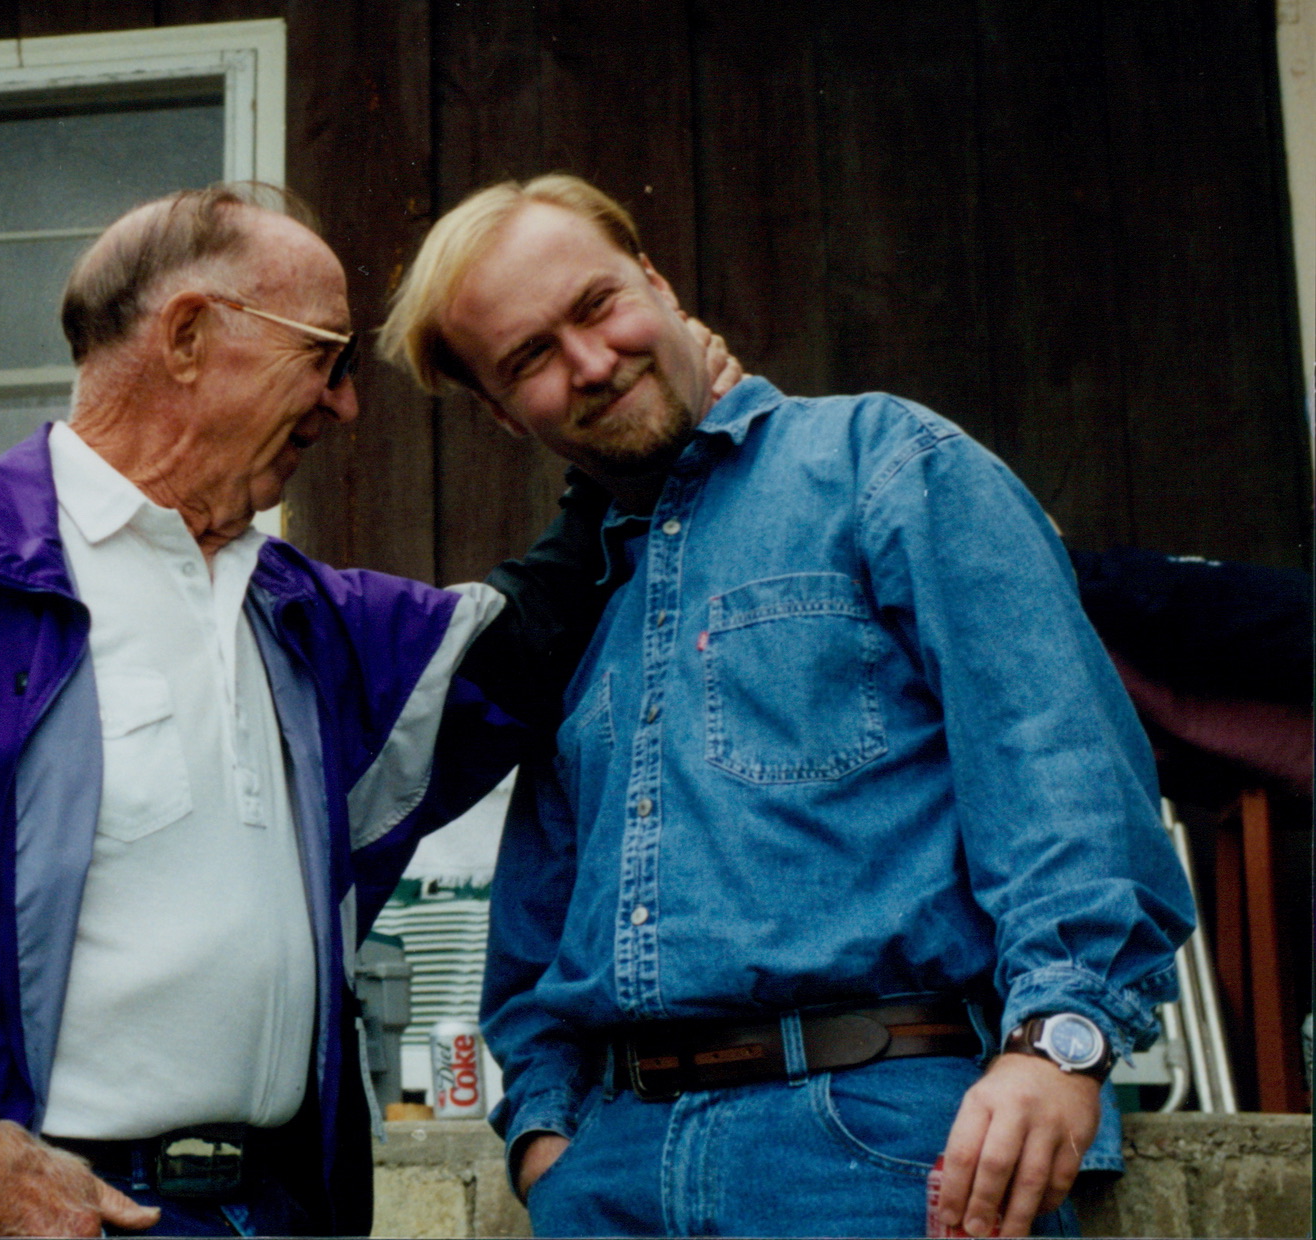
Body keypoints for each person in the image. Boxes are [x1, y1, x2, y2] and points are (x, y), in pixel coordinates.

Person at [0, 182, 703, 1237]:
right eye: (326, 357)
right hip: (29, 1215)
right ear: (191, 337)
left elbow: (523, 643)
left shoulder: (300, 618)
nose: (343, 403)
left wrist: (630, 399)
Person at [378, 174, 1195, 1240]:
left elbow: (1055, 759)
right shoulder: (581, 606)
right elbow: (538, 917)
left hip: (885, 1152)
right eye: (530, 357)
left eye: (595, 306)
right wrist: (544, 1141)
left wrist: (1057, 1045)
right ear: (497, 412)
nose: (588, 362)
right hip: (609, 1180)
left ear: (657, 283)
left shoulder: (884, 466)